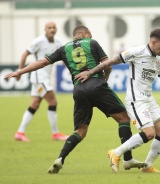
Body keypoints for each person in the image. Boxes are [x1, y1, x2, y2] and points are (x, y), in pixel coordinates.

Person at [4, 25, 144, 174]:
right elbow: (107, 64)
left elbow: (41, 62)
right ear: (84, 34)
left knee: (80, 130)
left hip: (79, 90)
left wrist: (20, 71)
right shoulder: (92, 43)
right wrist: (106, 77)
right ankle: (128, 159)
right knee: (123, 118)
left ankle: (60, 159)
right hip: (97, 85)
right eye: (89, 34)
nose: (90, 36)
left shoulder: (64, 48)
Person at [75, 28, 160, 173]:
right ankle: (116, 153)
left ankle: (146, 166)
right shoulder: (136, 52)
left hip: (149, 98)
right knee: (149, 133)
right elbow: (111, 61)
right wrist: (90, 72)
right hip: (136, 99)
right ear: (153, 42)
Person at [14, 21, 68, 142]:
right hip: (39, 76)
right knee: (53, 102)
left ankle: (20, 132)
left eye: (54, 27)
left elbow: (64, 57)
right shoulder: (38, 41)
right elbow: (25, 54)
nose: (52, 29)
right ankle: (55, 133)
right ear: (45, 29)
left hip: (45, 77)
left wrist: (70, 69)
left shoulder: (58, 42)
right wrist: (19, 70)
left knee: (34, 105)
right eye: (49, 28)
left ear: (56, 29)